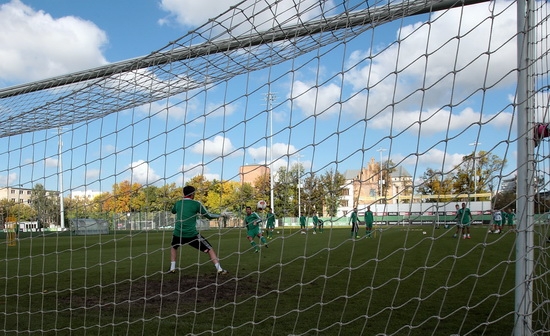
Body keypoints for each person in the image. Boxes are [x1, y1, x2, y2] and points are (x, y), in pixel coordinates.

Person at [168, 185, 228, 275]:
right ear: (192, 194)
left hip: (178, 233)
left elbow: (173, 211)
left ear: (184, 193)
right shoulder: (196, 204)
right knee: (210, 249)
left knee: (174, 247)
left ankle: (172, 268)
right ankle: (219, 269)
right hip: (191, 234)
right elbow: (209, 216)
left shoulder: (178, 203)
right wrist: (221, 215)